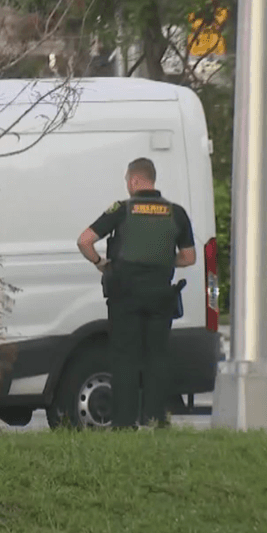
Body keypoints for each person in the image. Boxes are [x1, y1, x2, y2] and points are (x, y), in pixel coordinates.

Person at [76, 158, 196, 429]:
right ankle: (154, 419)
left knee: (124, 358)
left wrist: (100, 263)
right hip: (161, 296)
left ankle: (124, 423)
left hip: (125, 296)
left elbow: (84, 240)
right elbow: (189, 257)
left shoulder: (122, 209)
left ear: (133, 181)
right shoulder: (176, 213)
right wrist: (165, 260)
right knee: (157, 356)